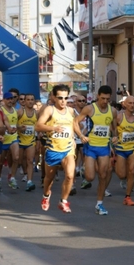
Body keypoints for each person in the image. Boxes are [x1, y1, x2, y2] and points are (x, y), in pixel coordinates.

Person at [74, 85, 118, 215]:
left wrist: (115, 136)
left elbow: (114, 127)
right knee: (90, 177)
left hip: (104, 147)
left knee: (103, 175)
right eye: (103, 98)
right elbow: (75, 122)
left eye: (107, 99)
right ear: (98, 96)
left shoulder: (113, 111)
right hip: (91, 146)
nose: (105, 101)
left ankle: (99, 204)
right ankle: (85, 170)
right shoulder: (89, 109)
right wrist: (81, 135)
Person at [35, 84, 76, 213]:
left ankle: (63, 201)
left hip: (68, 148)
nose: (63, 101)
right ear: (53, 97)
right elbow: (38, 126)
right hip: (53, 148)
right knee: (49, 178)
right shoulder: (49, 110)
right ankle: (46, 195)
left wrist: (74, 138)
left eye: (65, 98)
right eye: (60, 98)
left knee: (70, 176)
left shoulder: (70, 111)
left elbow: (72, 126)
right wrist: (53, 128)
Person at [17, 93, 38, 191]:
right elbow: (13, 125)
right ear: (24, 101)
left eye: (32, 99)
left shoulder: (36, 113)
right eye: (28, 99)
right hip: (20, 140)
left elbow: (39, 125)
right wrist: (19, 128)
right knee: (19, 160)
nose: (30, 101)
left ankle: (29, 181)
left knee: (30, 160)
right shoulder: (20, 112)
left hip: (31, 140)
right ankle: (20, 174)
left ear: (34, 101)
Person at [0, 92, 20, 189]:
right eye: (8, 99)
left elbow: (15, 124)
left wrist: (20, 128)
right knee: (0, 162)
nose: (10, 101)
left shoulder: (15, 111)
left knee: (16, 158)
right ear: (4, 100)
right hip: (3, 139)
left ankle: (12, 177)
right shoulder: (0, 110)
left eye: (11, 99)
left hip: (13, 137)